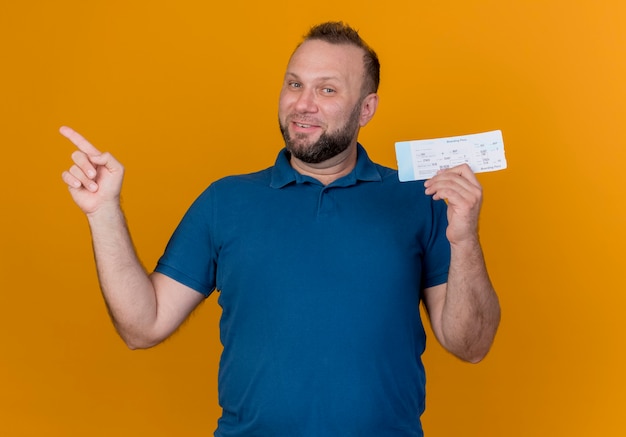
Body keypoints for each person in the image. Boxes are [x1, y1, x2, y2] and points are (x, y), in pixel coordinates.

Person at [61, 21, 500, 437]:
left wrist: (464, 240)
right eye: (295, 84)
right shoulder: (225, 200)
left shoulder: (418, 199)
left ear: (366, 108)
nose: (303, 104)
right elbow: (143, 325)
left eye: (327, 89)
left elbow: (472, 344)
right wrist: (103, 212)